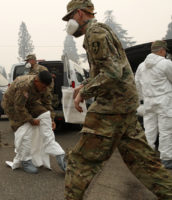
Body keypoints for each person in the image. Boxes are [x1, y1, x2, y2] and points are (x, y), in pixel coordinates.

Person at [62, 0, 172, 199]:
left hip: (112, 106)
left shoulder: (95, 33)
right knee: (144, 163)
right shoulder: (102, 31)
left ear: (79, 14)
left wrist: (83, 93)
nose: (69, 22)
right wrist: (84, 85)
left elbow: (112, 72)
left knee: (80, 161)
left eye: (69, 17)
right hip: (125, 106)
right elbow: (109, 69)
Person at [2, 71, 65, 174]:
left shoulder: (45, 85)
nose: (44, 89)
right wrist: (30, 120)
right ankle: (25, 160)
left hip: (29, 102)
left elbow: (47, 103)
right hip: (12, 105)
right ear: (36, 81)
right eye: (43, 87)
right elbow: (19, 107)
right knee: (24, 131)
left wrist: (51, 119)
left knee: (45, 115)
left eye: (46, 87)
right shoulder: (24, 86)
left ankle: (54, 148)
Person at [135, 40, 172, 169]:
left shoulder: (141, 66)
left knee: (149, 129)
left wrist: (141, 100)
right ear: (161, 50)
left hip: (148, 102)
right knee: (165, 130)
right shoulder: (166, 63)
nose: (165, 53)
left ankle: (147, 156)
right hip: (164, 102)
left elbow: (137, 84)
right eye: (165, 50)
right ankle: (166, 159)